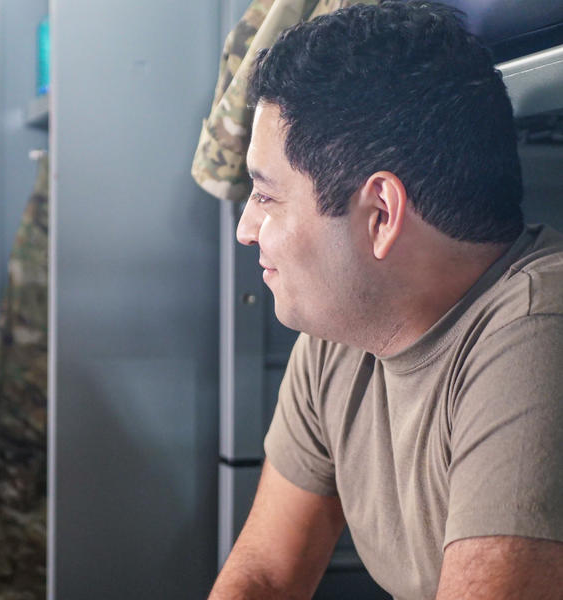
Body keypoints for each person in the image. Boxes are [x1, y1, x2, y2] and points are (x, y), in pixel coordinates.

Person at [209, 3, 563, 599]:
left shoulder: (538, 335)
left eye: (267, 197)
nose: (245, 228)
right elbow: (266, 576)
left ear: (380, 214)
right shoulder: (341, 331)